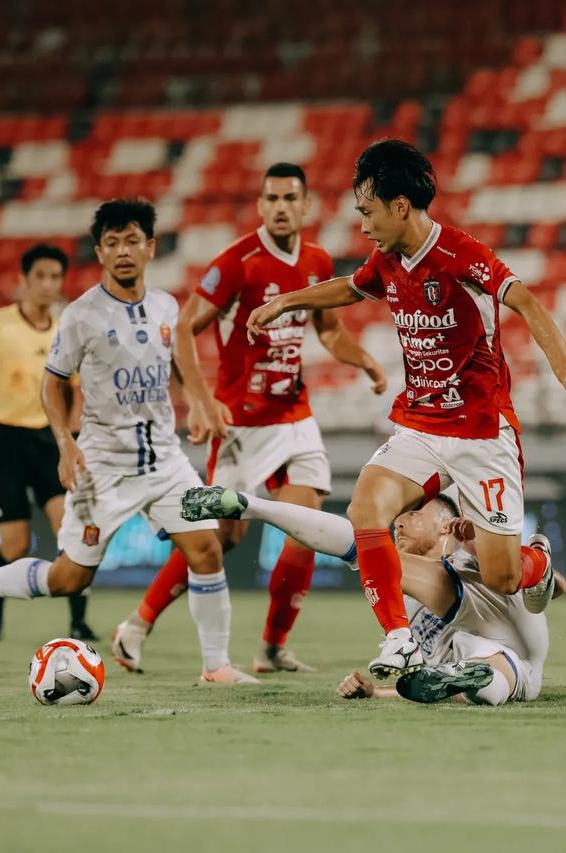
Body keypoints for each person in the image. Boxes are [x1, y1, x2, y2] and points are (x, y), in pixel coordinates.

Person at [245, 139, 566, 678]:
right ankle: (399, 638)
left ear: (401, 206)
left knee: (502, 576)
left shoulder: (460, 254)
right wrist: (287, 300)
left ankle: (535, 561)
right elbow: (352, 289)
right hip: (421, 426)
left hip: (482, 433)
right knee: (365, 509)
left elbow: (526, 301)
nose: (363, 224)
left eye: (368, 211)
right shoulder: (387, 259)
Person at [0, 198, 256, 685]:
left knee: (207, 550)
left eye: (132, 240)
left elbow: (180, 358)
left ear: (151, 247)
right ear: (100, 253)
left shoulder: (165, 306)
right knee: (69, 577)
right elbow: (52, 382)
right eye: (112, 243)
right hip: (105, 465)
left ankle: (215, 666)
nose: (123, 251)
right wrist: (67, 443)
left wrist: (198, 400)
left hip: (163, 460)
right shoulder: (80, 315)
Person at [113, 163, 386, 675]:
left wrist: (363, 359)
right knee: (219, 537)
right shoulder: (239, 262)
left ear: (306, 206)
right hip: (239, 424)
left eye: (290, 198)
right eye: (271, 198)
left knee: (309, 525)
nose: (281, 206)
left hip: (294, 415)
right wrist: (198, 399)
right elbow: (181, 329)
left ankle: (271, 647)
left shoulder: (317, 261)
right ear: (260, 206)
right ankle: (137, 623)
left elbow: (328, 331)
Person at [181, 485, 564, 705]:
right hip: (500, 658)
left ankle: (254, 506)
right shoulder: (400, 584)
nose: (401, 519)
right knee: (482, 675)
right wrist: (378, 694)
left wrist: (483, 546)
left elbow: (559, 586)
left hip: (510, 614)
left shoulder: (465, 546)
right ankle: (475, 679)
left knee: (366, 549)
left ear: (446, 523)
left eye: (415, 513)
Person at [0, 243, 97, 641]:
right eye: (40, 277)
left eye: (55, 278)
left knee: (71, 529)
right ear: (23, 281)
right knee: (15, 544)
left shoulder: (65, 328)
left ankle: (79, 622)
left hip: (47, 441)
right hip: (2, 441)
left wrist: (71, 435)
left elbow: (75, 388)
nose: (48, 285)